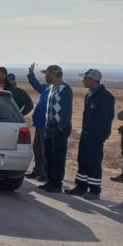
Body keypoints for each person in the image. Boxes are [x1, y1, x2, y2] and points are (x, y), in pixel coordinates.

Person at [66, 69, 116, 199]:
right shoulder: (89, 95)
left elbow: (107, 118)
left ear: (93, 80)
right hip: (86, 134)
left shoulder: (105, 97)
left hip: (96, 136)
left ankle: (94, 190)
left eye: (85, 78)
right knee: (83, 160)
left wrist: (101, 135)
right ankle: (81, 187)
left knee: (94, 162)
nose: (83, 81)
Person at [38, 65, 72, 194]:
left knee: (58, 156)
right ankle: (50, 181)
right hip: (50, 127)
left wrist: (61, 126)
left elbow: (66, 110)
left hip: (59, 128)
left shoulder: (65, 89)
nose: (46, 76)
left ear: (55, 74)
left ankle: (57, 183)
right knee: (49, 155)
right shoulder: (52, 88)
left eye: (48, 74)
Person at [26, 63, 51, 181]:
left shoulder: (57, 90)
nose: (46, 76)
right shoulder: (47, 88)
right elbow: (36, 85)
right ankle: (37, 170)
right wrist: (31, 75)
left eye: (47, 74)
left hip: (46, 125)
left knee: (44, 150)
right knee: (37, 148)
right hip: (39, 123)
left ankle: (45, 173)